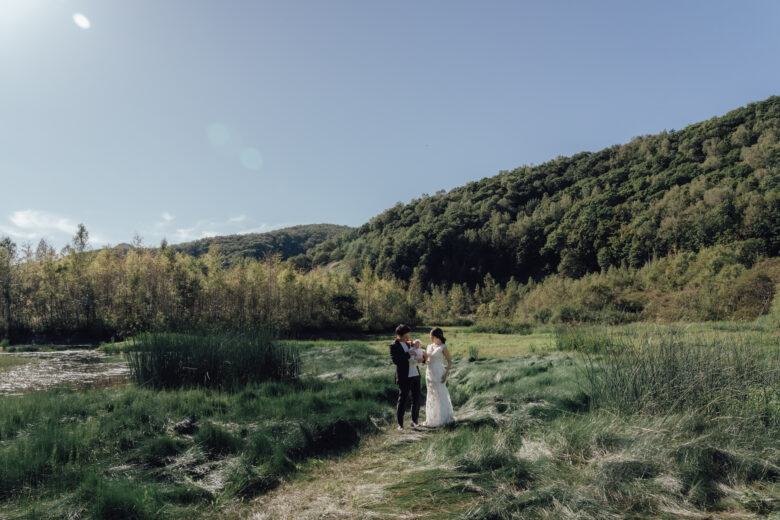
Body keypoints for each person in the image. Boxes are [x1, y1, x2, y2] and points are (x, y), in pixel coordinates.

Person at [389, 324, 423, 429]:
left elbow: (418, 353)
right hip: (404, 376)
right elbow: (396, 361)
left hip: (415, 374)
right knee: (402, 399)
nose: (408, 338)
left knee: (416, 398)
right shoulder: (393, 346)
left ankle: (414, 421)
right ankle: (400, 424)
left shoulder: (410, 344)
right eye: (406, 337)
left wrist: (421, 359)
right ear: (399, 336)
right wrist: (408, 354)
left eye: (409, 336)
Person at [422, 327, 455, 427]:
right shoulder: (429, 346)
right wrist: (424, 355)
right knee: (431, 394)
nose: (430, 338)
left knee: (440, 394)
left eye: (431, 336)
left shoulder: (443, 347)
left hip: (439, 373)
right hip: (430, 372)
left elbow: (449, 361)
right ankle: (432, 419)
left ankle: (442, 419)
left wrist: (446, 374)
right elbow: (427, 360)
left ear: (437, 336)